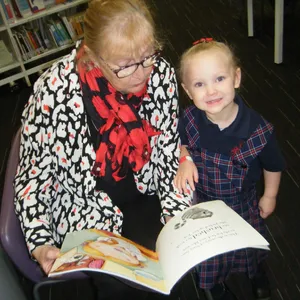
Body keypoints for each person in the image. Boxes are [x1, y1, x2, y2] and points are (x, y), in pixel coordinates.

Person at [13, 0, 192, 299]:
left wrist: (174, 216)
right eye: (124, 66)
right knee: (117, 284)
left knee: (172, 267)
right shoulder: (54, 92)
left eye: (148, 55)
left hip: (146, 194)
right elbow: (34, 178)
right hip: (84, 207)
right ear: (93, 57)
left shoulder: (160, 74)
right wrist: (40, 242)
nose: (142, 74)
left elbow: (166, 152)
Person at [174, 38, 285, 300]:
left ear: (236, 78)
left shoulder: (259, 130)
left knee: (249, 247)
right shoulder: (188, 119)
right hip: (203, 204)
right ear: (188, 91)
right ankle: (216, 284)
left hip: (242, 205)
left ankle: (256, 272)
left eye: (219, 79)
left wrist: (269, 195)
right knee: (212, 251)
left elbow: (274, 165)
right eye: (199, 84)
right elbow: (178, 142)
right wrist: (183, 156)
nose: (211, 91)